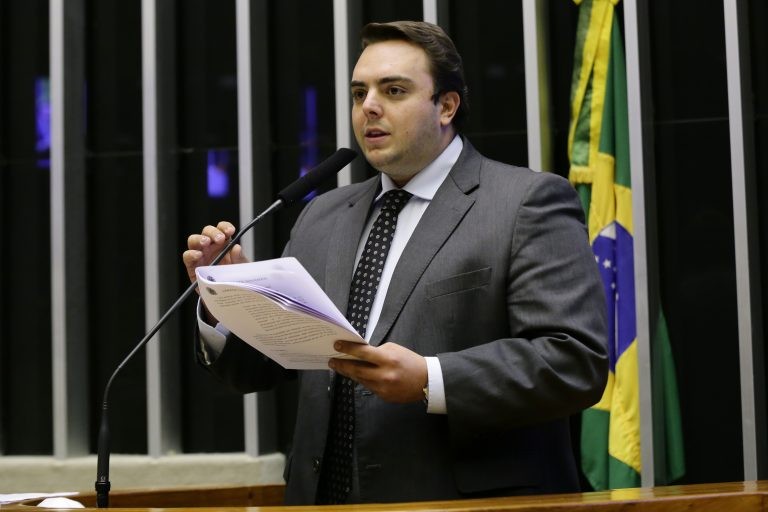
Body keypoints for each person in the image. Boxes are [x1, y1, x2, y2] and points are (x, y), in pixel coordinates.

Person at [183, 20, 608, 505]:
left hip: (458, 500)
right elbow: (260, 370)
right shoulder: (322, 215)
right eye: (359, 92)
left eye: (394, 90)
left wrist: (431, 378)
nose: (369, 107)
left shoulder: (523, 203)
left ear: (446, 106)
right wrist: (223, 304)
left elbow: (573, 362)